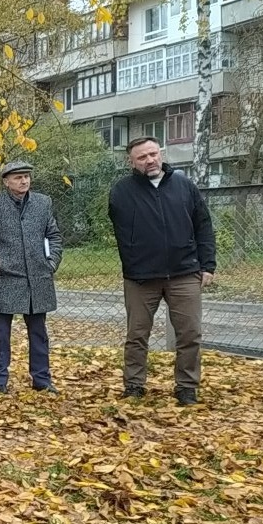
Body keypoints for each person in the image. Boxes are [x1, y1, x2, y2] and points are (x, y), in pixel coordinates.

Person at [108, 137, 216, 406]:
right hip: (141, 278)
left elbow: (203, 225)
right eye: (142, 157)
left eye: (153, 154)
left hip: (184, 273)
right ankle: (134, 385)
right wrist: (134, 264)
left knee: (190, 334)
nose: (150, 160)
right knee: (136, 335)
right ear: (131, 162)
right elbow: (122, 233)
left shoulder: (184, 185)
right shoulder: (122, 191)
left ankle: (186, 387)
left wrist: (207, 265)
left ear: (161, 154)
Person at [0, 161, 63, 395]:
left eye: (26, 176)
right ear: (6, 181)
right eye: (18, 177)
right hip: (6, 276)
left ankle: (42, 379)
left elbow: (53, 235)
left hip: (38, 276)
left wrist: (51, 262)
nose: (24, 181)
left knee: (38, 332)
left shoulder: (43, 203)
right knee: (0, 334)